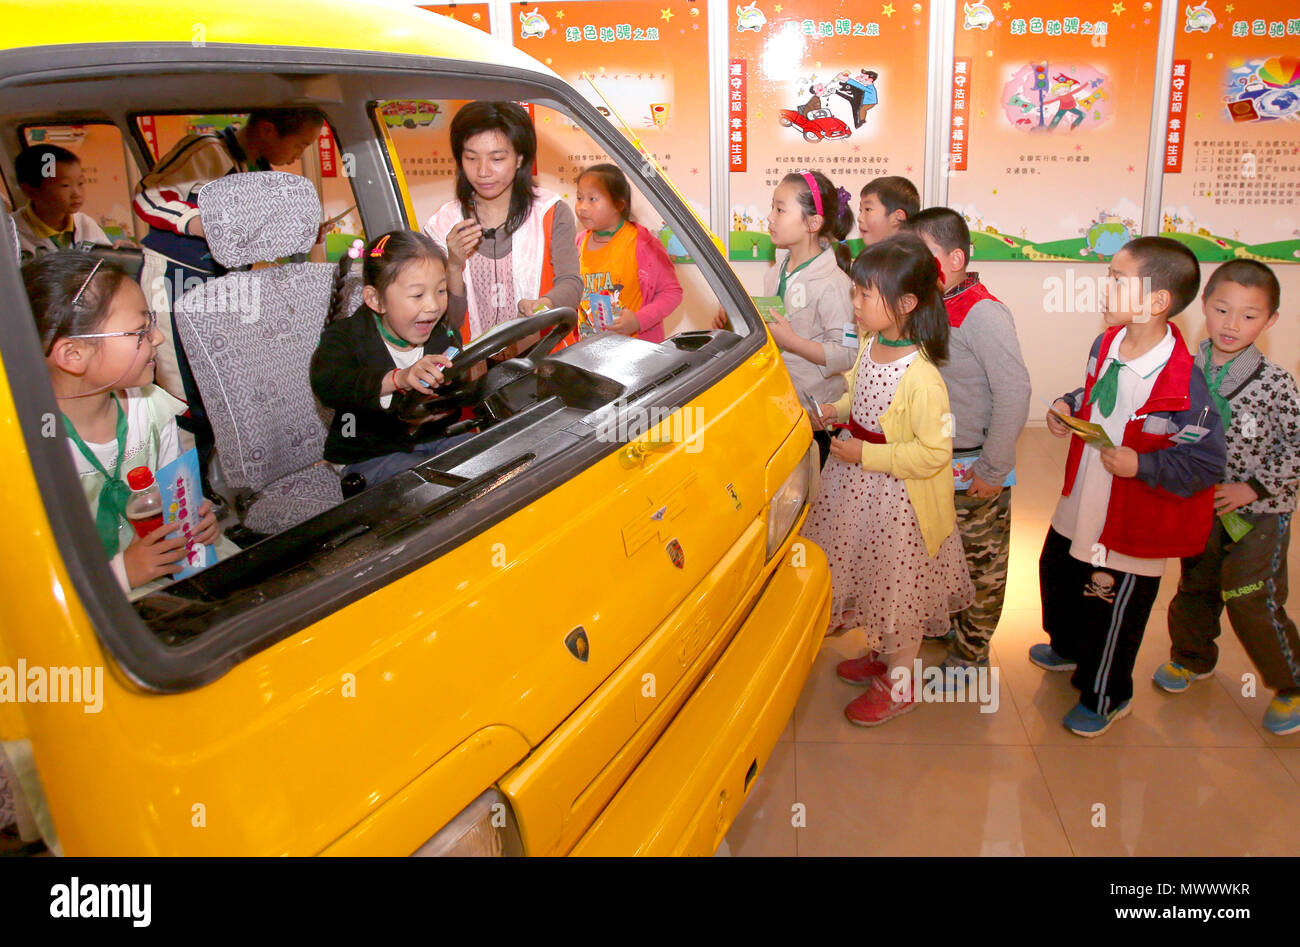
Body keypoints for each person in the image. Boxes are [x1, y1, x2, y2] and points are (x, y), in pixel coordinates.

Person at [1035, 236, 1226, 737]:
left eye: (1119, 280)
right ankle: (1066, 645)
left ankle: (1107, 695)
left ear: (1158, 301)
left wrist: (1143, 466)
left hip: (1132, 514)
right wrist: (1067, 406)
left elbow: (1205, 462)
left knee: (1111, 605)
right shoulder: (1108, 342)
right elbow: (1095, 392)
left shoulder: (1184, 381)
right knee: (1058, 569)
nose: (1107, 287)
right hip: (1084, 496)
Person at [803, 234, 974, 727]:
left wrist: (868, 454)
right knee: (872, 576)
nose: (854, 304)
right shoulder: (875, 343)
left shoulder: (922, 377)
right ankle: (883, 656)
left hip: (900, 502)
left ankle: (902, 682)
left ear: (905, 303)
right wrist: (832, 410)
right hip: (857, 487)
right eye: (855, 292)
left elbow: (934, 453)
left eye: (863, 295)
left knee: (899, 594)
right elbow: (856, 390)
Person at [1157, 260, 1300, 736]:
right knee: (1196, 586)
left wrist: (1252, 488)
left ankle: (1291, 684)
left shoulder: (1276, 384)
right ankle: (1191, 659)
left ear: (1271, 321)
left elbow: (1296, 449)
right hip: (1204, 505)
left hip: (1261, 510)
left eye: (1249, 316)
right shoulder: (1185, 367)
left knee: (1249, 596)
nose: (1232, 325)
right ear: (1204, 307)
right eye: (1222, 310)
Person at [24, 251, 222, 593]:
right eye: (139, 331)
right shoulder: (27, 452)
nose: (157, 338)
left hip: (169, 580)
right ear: (73, 355)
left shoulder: (152, 411)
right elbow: (26, 584)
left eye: (152, 323)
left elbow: (176, 495)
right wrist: (122, 573)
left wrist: (195, 521)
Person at [904, 208, 1031, 670]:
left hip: (974, 466)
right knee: (940, 554)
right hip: (932, 463)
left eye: (924, 255)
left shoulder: (983, 313)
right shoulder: (930, 303)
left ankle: (971, 653)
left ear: (954, 257)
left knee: (981, 564)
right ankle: (946, 627)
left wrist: (993, 469)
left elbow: (1014, 391)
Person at [133, 108, 326, 401]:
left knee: (212, 379)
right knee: (181, 384)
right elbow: (148, 195)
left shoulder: (256, 169)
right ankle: (186, 442)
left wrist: (300, 233)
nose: (299, 155)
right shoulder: (208, 150)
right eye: (300, 144)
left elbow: (251, 235)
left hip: (219, 284)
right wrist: (198, 222)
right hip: (176, 276)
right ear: (267, 130)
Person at [311, 231, 471, 486]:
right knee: (425, 487)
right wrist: (399, 379)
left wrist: (445, 402)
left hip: (435, 439)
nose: (432, 306)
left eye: (441, 290)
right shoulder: (345, 337)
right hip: (369, 451)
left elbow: (458, 380)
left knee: (487, 458)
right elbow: (329, 384)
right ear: (376, 300)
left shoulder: (441, 333)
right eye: (418, 295)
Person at [423, 101, 582, 344]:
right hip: (472, 368)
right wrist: (454, 265)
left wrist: (543, 305)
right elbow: (449, 321)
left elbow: (570, 283)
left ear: (519, 158)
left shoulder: (550, 212)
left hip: (542, 360)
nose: (483, 171)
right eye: (471, 158)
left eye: (497, 158)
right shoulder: (442, 224)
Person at [760, 170, 856, 466]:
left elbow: (847, 354)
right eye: (772, 207)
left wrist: (792, 342)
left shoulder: (834, 282)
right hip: (780, 408)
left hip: (817, 421)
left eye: (780, 209)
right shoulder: (777, 270)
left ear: (813, 223)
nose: (770, 217)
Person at [573, 163, 682, 343]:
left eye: (592, 199)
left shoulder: (642, 243)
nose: (582, 207)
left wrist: (638, 321)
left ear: (618, 204)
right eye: (579, 198)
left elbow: (672, 292)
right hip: (589, 354)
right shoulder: (578, 242)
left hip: (636, 354)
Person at [11, 144, 111, 260]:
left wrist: (121, 254)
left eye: (81, 183)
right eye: (65, 185)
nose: (77, 193)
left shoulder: (85, 224)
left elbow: (108, 269)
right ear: (30, 191)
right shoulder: (10, 233)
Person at [856, 175, 918, 247]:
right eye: (860, 210)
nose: (859, 218)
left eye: (868, 209)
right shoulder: (868, 256)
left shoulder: (913, 257)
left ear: (897, 217)